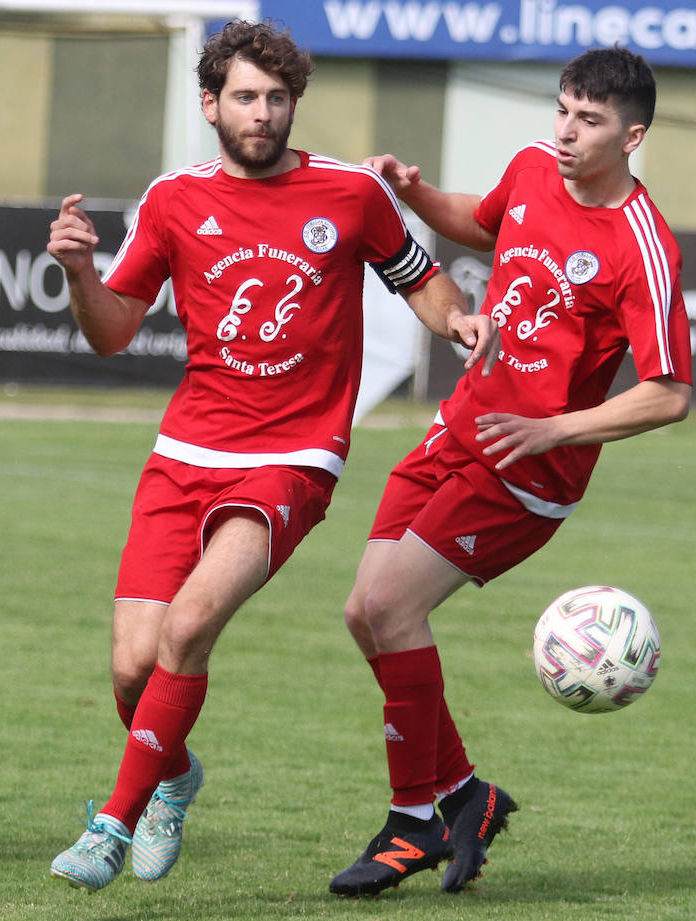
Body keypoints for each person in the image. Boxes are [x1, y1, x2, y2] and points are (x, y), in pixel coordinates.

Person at [44, 19, 497, 892]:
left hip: (294, 458)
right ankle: (173, 772)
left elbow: (421, 278)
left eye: (277, 98)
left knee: (190, 624)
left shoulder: (350, 194)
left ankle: (113, 822)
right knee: (134, 665)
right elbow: (112, 333)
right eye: (246, 97)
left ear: (295, 104)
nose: (263, 113)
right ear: (211, 104)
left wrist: (458, 320)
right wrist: (79, 274)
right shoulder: (174, 198)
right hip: (184, 452)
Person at [331, 46, 692, 897]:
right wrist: (414, 195)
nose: (566, 132)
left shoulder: (643, 243)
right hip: (459, 428)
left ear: (632, 135)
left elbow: (669, 393)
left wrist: (553, 427)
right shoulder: (533, 166)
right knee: (362, 613)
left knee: (390, 605)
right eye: (563, 110)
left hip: (529, 473)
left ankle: (413, 818)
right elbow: (483, 219)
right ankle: (464, 795)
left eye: (590, 121)